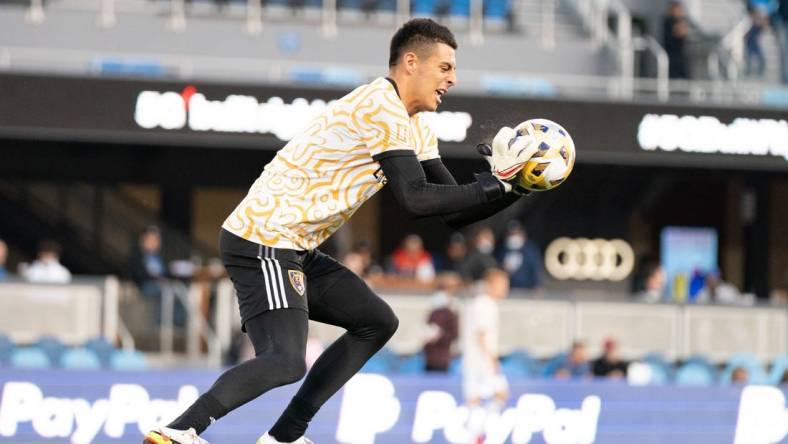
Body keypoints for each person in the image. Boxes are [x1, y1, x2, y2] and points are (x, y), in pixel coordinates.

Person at [144, 18, 538, 444]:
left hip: (293, 245)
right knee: (284, 360)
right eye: (445, 67)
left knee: (376, 322)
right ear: (410, 62)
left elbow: (453, 210)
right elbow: (417, 199)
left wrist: (512, 186)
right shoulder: (380, 106)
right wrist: (495, 184)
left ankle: (285, 435)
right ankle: (179, 430)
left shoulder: (413, 120)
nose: (453, 79)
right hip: (264, 239)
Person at [461, 268, 510, 442]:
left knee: (475, 400)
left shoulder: (478, 303)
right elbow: (481, 334)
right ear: (492, 284)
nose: (506, 288)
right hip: (482, 362)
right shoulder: (485, 304)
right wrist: (492, 360)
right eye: (503, 284)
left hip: (473, 361)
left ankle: (475, 434)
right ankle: (474, 434)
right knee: (500, 393)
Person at [423, 273, 461, 372]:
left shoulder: (452, 311)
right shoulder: (433, 311)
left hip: (442, 358)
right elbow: (427, 328)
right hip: (429, 357)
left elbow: (454, 334)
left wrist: (439, 336)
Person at [496, 221, 541, 290]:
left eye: (515, 233)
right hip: (507, 289)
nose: (513, 236)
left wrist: (536, 285)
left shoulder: (529, 250)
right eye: (510, 234)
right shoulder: (502, 250)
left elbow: (535, 269)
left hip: (526, 289)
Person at [663, 0, 690, 79]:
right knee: (672, 76)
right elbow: (679, 32)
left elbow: (684, 31)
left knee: (685, 76)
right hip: (671, 55)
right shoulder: (668, 21)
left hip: (681, 56)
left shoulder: (680, 20)